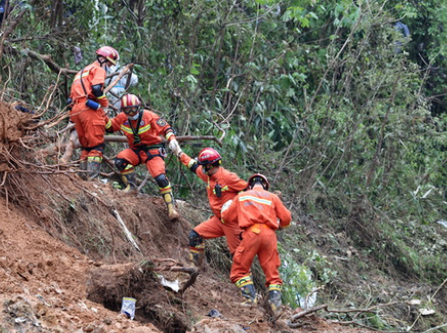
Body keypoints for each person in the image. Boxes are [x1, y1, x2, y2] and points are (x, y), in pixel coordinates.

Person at [221, 173, 291, 314]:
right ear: (265, 185)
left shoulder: (242, 196)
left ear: (250, 185)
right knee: (272, 273)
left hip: (252, 233)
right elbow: (287, 218)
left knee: (239, 270)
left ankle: (249, 300)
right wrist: (280, 225)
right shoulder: (273, 197)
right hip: (270, 236)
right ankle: (275, 306)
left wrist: (225, 210)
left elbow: (227, 218)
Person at [105, 94, 181, 221]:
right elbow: (109, 127)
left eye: (133, 109)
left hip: (153, 151)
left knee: (161, 178)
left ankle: (171, 208)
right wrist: (101, 113)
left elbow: (166, 127)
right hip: (136, 151)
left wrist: (172, 139)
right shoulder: (122, 118)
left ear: (138, 107)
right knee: (120, 160)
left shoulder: (149, 116)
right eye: (126, 110)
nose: (130, 112)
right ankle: (131, 187)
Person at [175, 147, 248, 267]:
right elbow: (193, 166)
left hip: (233, 223)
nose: (202, 168)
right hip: (219, 221)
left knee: (239, 260)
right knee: (195, 236)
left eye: (203, 165)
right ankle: (196, 269)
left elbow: (249, 191)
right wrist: (179, 153)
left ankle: (246, 285)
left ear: (209, 165)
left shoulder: (228, 177)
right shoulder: (209, 176)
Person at [69, 46, 119, 179]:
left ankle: (82, 179)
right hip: (89, 109)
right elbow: (97, 89)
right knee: (97, 146)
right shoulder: (98, 69)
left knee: (86, 146)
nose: (109, 66)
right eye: (109, 63)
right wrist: (104, 104)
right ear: (103, 59)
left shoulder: (82, 71)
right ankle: (92, 180)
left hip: (76, 110)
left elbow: (70, 97)